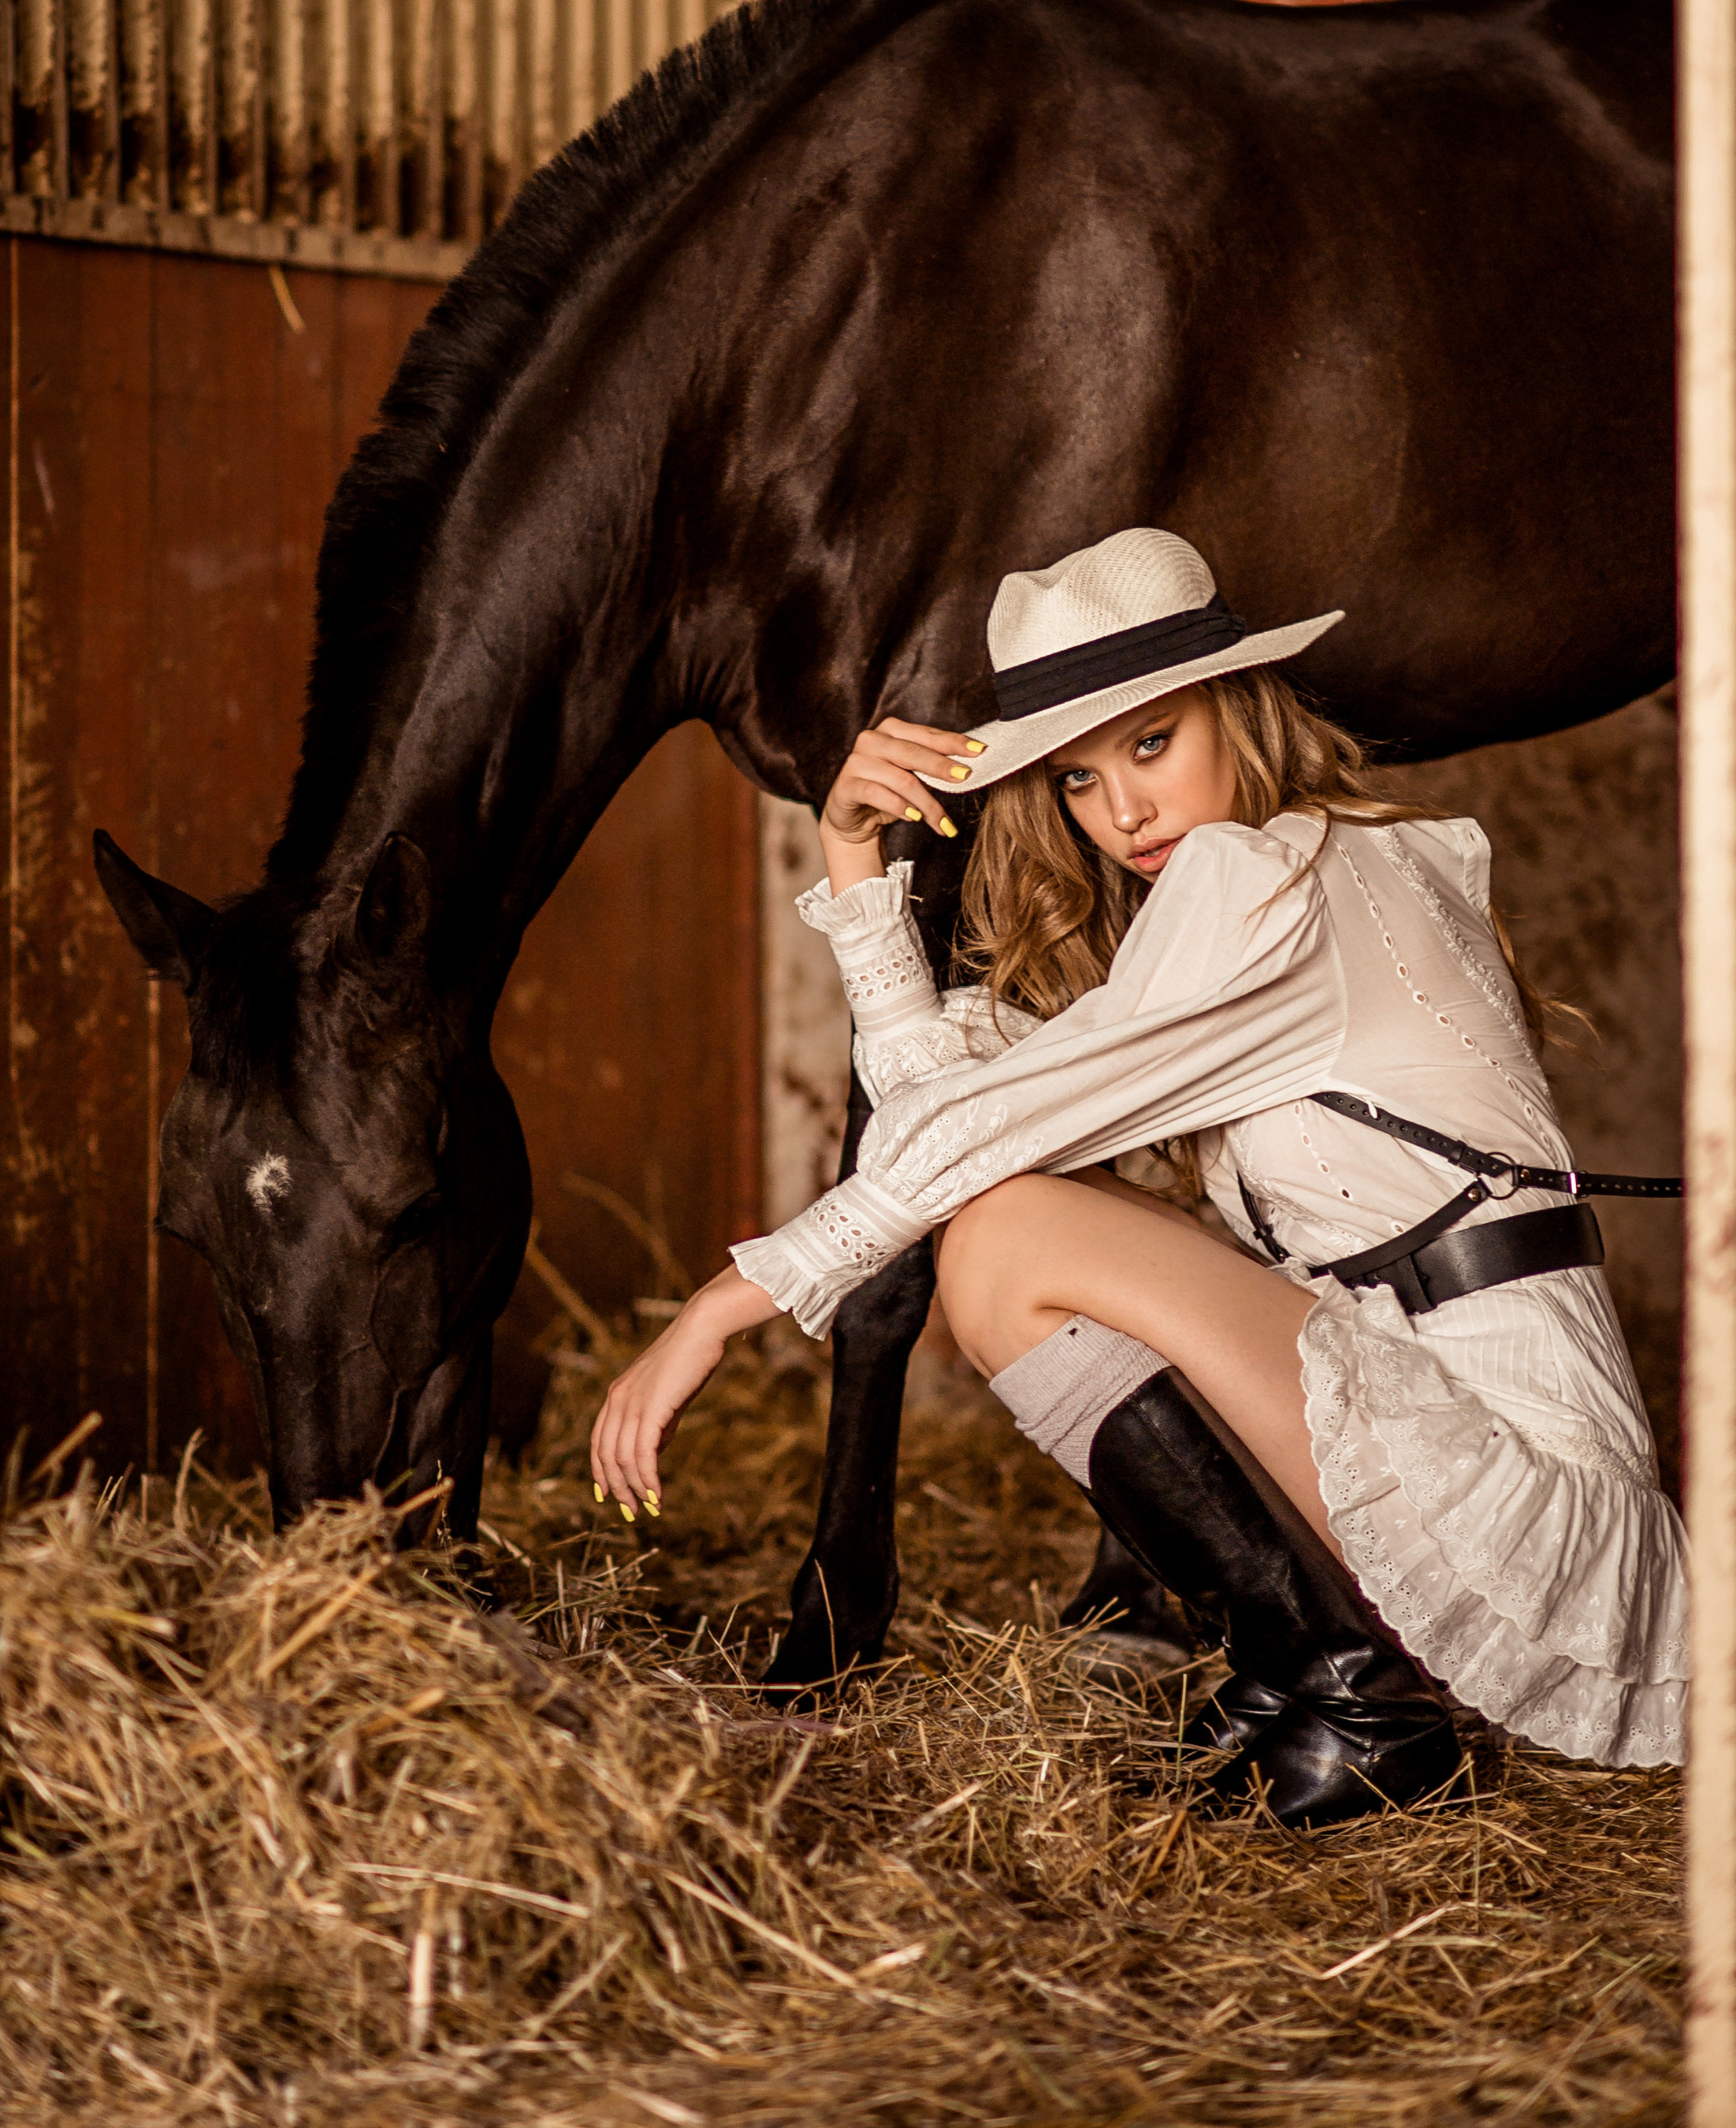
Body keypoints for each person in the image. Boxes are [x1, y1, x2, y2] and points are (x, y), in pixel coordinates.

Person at [589, 527, 1687, 1828]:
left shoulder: (1269, 880)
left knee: (1001, 1239)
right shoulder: (1329, 858)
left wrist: (725, 1304)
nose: (1124, 812)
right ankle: (1311, 1674)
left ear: (1237, 704)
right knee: (1009, 1218)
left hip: (1514, 1502)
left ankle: (1355, 1696)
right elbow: (954, 1111)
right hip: (1471, 1449)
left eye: (1153, 742)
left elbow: (962, 1144)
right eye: (1076, 777)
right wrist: (853, 860)